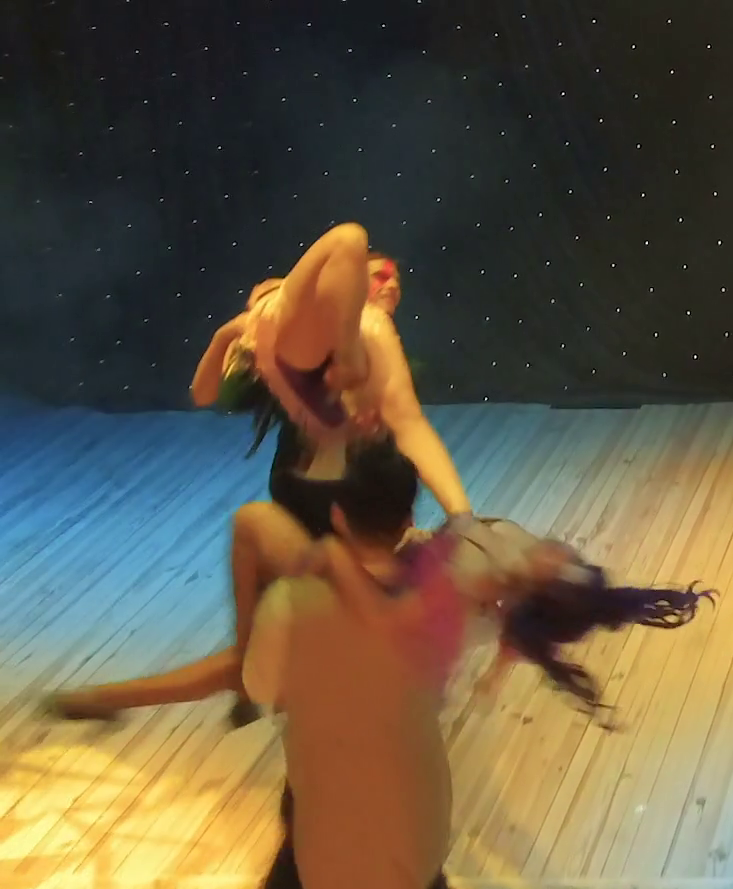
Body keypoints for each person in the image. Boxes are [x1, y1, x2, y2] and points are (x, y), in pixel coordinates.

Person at [49, 242, 471, 724]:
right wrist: (229, 333)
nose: (391, 283)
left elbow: (407, 430)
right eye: (377, 276)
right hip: (304, 526)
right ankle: (228, 675)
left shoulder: (378, 359)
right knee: (259, 627)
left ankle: (130, 695)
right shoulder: (300, 357)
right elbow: (205, 392)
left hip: (347, 548)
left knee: (254, 551)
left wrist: (457, 517)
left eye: (395, 278)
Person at [240, 442, 482, 889]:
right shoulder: (440, 589)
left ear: (338, 517)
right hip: (411, 766)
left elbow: (262, 686)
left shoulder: (295, 599)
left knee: (302, 821)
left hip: (327, 769)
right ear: (409, 517)